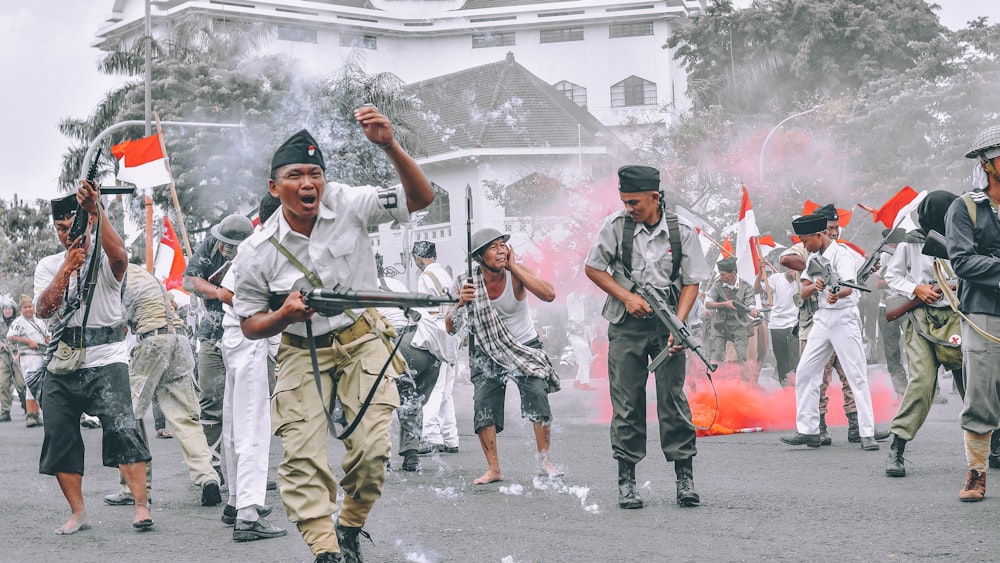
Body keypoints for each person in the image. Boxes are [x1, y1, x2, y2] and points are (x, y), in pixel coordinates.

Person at [231, 111, 434, 563]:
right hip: (302, 351)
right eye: (295, 175)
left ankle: (349, 526)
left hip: (362, 339)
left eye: (315, 173)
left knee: (373, 453)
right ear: (274, 187)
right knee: (302, 459)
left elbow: (420, 198)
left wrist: (388, 145)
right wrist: (283, 313)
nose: (308, 183)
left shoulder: (349, 202)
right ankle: (326, 552)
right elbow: (249, 323)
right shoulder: (255, 252)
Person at [584, 165, 710, 509]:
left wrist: (679, 327)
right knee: (627, 403)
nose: (629, 207)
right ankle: (627, 482)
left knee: (672, 401)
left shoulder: (681, 230)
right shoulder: (615, 226)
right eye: (625, 201)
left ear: (655, 197)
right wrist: (627, 297)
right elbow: (593, 268)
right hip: (626, 324)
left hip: (667, 323)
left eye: (635, 201)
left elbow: (693, 280)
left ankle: (685, 479)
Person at [35, 186, 151, 534]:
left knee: (122, 429)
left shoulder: (103, 256)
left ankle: (141, 506)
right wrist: (68, 268)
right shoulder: (49, 265)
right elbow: (44, 309)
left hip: (107, 358)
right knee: (58, 433)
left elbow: (120, 260)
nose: (66, 230)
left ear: (85, 223)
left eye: (73, 221)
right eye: (60, 225)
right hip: (63, 361)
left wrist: (98, 210)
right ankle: (78, 512)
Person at [447, 228, 560, 485]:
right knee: (483, 407)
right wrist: (460, 303)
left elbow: (549, 294)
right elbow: (450, 327)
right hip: (487, 350)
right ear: (479, 256)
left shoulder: (517, 273)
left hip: (524, 346)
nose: (501, 251)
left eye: (503, 245)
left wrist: (515, 268)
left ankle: (545, 463)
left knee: (537, 398)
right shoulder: (466, 281)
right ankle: (494, 469)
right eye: (493, 247)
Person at [101, 263, 221, 507]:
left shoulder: (112, 276)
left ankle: (133, 488)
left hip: (152, 342)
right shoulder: (145, 275)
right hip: (178, 339)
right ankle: (208, 477)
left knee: (129, 414)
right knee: (186, 418)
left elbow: (113, 324)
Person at [780, 214, 879, 451]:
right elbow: (802, 292)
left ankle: (867, 433)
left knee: (856, 375)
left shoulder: (841, 254)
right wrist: (816, 286)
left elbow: (848, 285)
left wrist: (837, 293)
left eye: (805, 241)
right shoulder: (814, 258)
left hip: (843, 317)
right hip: (822, 318)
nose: (804, 246)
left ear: (819, 235)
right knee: (805, 371)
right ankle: (809, 430)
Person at [883, 191, 964, 477]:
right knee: (920, 382)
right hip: (919, 320)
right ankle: (897, 447)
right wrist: (916, 289)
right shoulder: (909, 241)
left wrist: (955, 286)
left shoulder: (963, 236)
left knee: (975, 385)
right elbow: (892, 276)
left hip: (956, 317)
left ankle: (993, 447)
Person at [218, 193, 285, 541]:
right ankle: (247, 513)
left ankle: (235, 501)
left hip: (236, 338)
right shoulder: (265, 248)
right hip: (248, 338)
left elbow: (224, 293)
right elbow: (229, 296)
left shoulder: (252, 247)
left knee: (235, 424)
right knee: (253, 426)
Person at [945, 125, 1000, 501]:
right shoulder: (965, 207)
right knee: (980, 393)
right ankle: (976, 473)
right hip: (983, 310)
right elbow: (963, 261)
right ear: (988, 163)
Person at [183, 213, 255, 482]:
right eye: (221, 242)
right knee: (211, 399)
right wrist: (219, 293)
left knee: (249, 404)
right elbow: (188, 280)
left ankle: (247, 468)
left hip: (249, 335)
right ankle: (211, 469)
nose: (223, 248)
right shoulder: (211, 244)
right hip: (213, 333)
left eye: (230, 245)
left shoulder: (259, 253)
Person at [410, 241, 461, 454]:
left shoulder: (425, 278)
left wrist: (426, 343)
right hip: (451, 336)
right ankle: (451, 438)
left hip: (437, 339)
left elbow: (427, 314)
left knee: (434, 390)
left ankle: (431, 437)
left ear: (418, 258)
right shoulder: (445, 275)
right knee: (447, 392)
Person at [704, 256, 758, 371]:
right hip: (720, 324)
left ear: (733, 273)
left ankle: (744, 385)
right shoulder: (717, 284)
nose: (721, 276)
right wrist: (724, 304)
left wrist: (753, 311)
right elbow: (708, 303)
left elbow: (751, 304)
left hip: (739, 325)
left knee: (743, 358)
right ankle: (717, 383)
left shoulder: (746, 286)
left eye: (723, 274)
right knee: (716, 356)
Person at [2, 296, 40, 425]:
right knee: (4, 383)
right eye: (5, 309)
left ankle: (30, 410)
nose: (7, 311)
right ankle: (6, 411)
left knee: (23, 383)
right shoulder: (9, 323)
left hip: (23, 354)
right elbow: (9, 336)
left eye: (9, 308)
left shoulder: (33, 321)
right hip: (7, 355)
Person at [767, 265, 800, 387]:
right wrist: (760, 273)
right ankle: (785, 388)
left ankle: (795, 386)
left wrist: (799, 281)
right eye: (792, 267)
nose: (794, 271)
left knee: (794, 358)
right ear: (786, 268)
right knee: (781, 359)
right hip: (776, 324)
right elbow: (757, 289)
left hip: (794, 324)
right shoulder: (775, 278)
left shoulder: (802, 280)